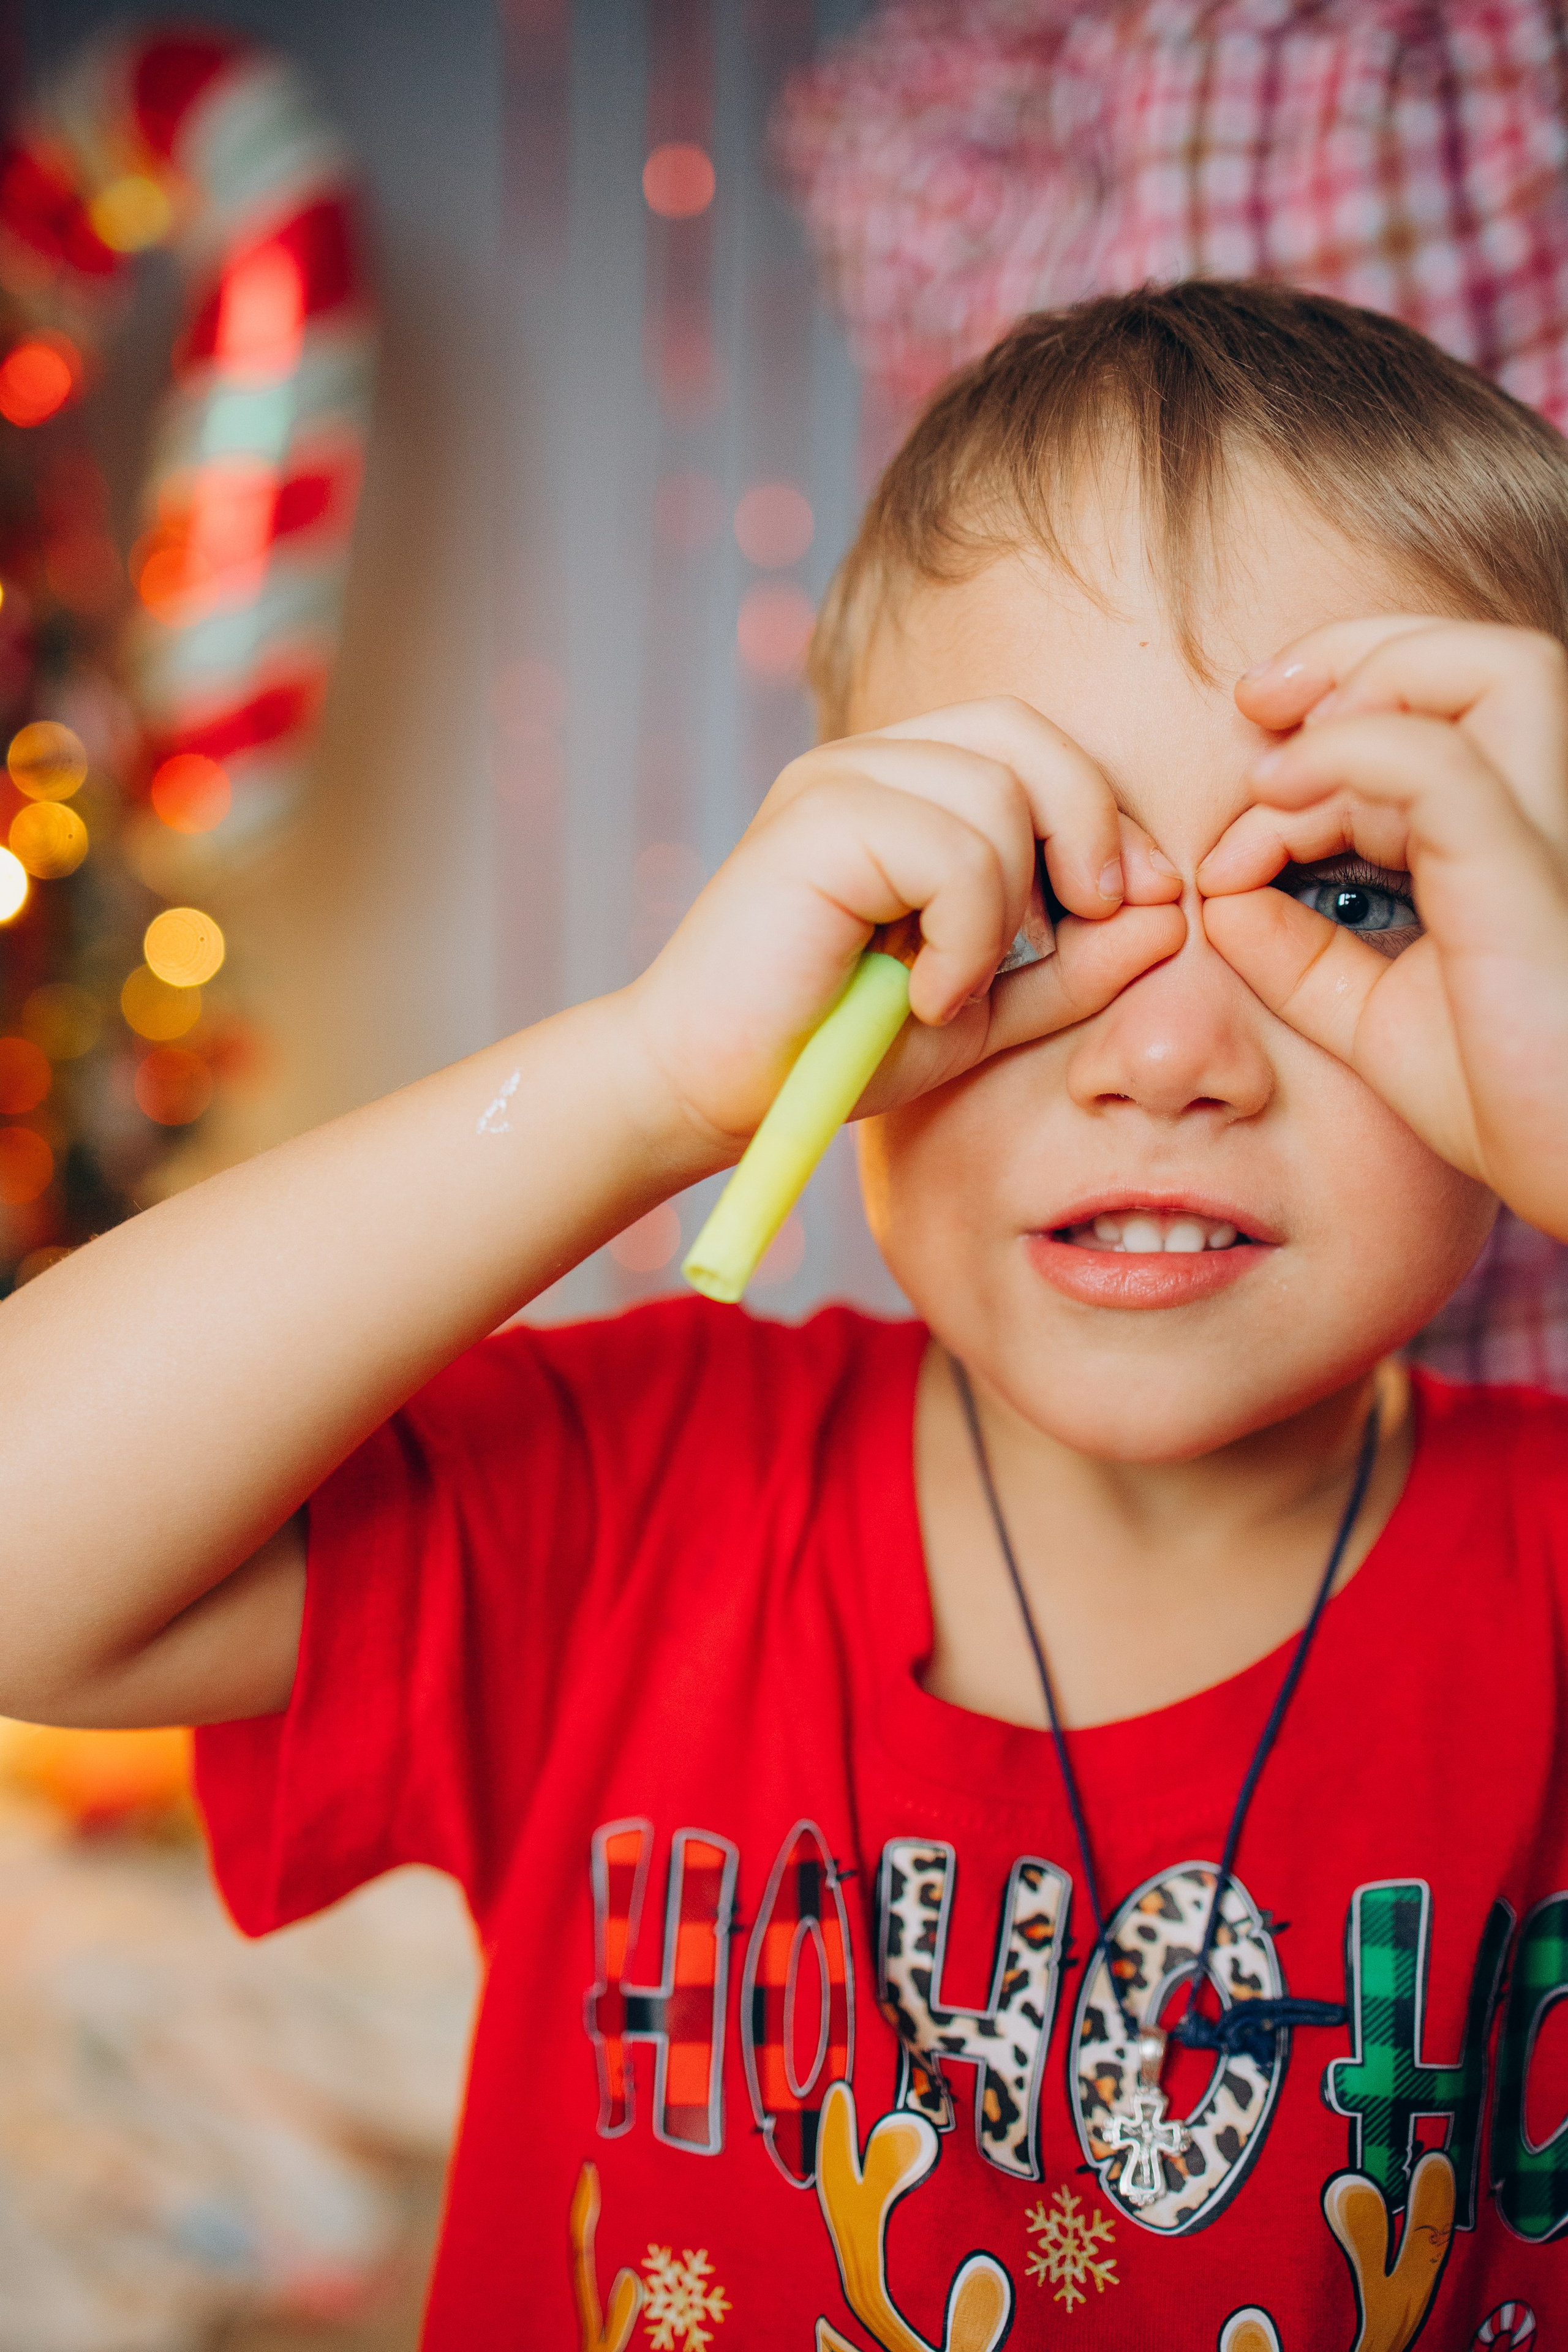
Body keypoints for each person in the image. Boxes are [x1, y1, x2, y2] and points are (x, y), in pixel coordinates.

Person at [4, 281, 1568, 2347]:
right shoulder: (638, 1496)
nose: (1171, 1057)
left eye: (1359, 893)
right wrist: (654, 1074)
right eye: (1044, 894)